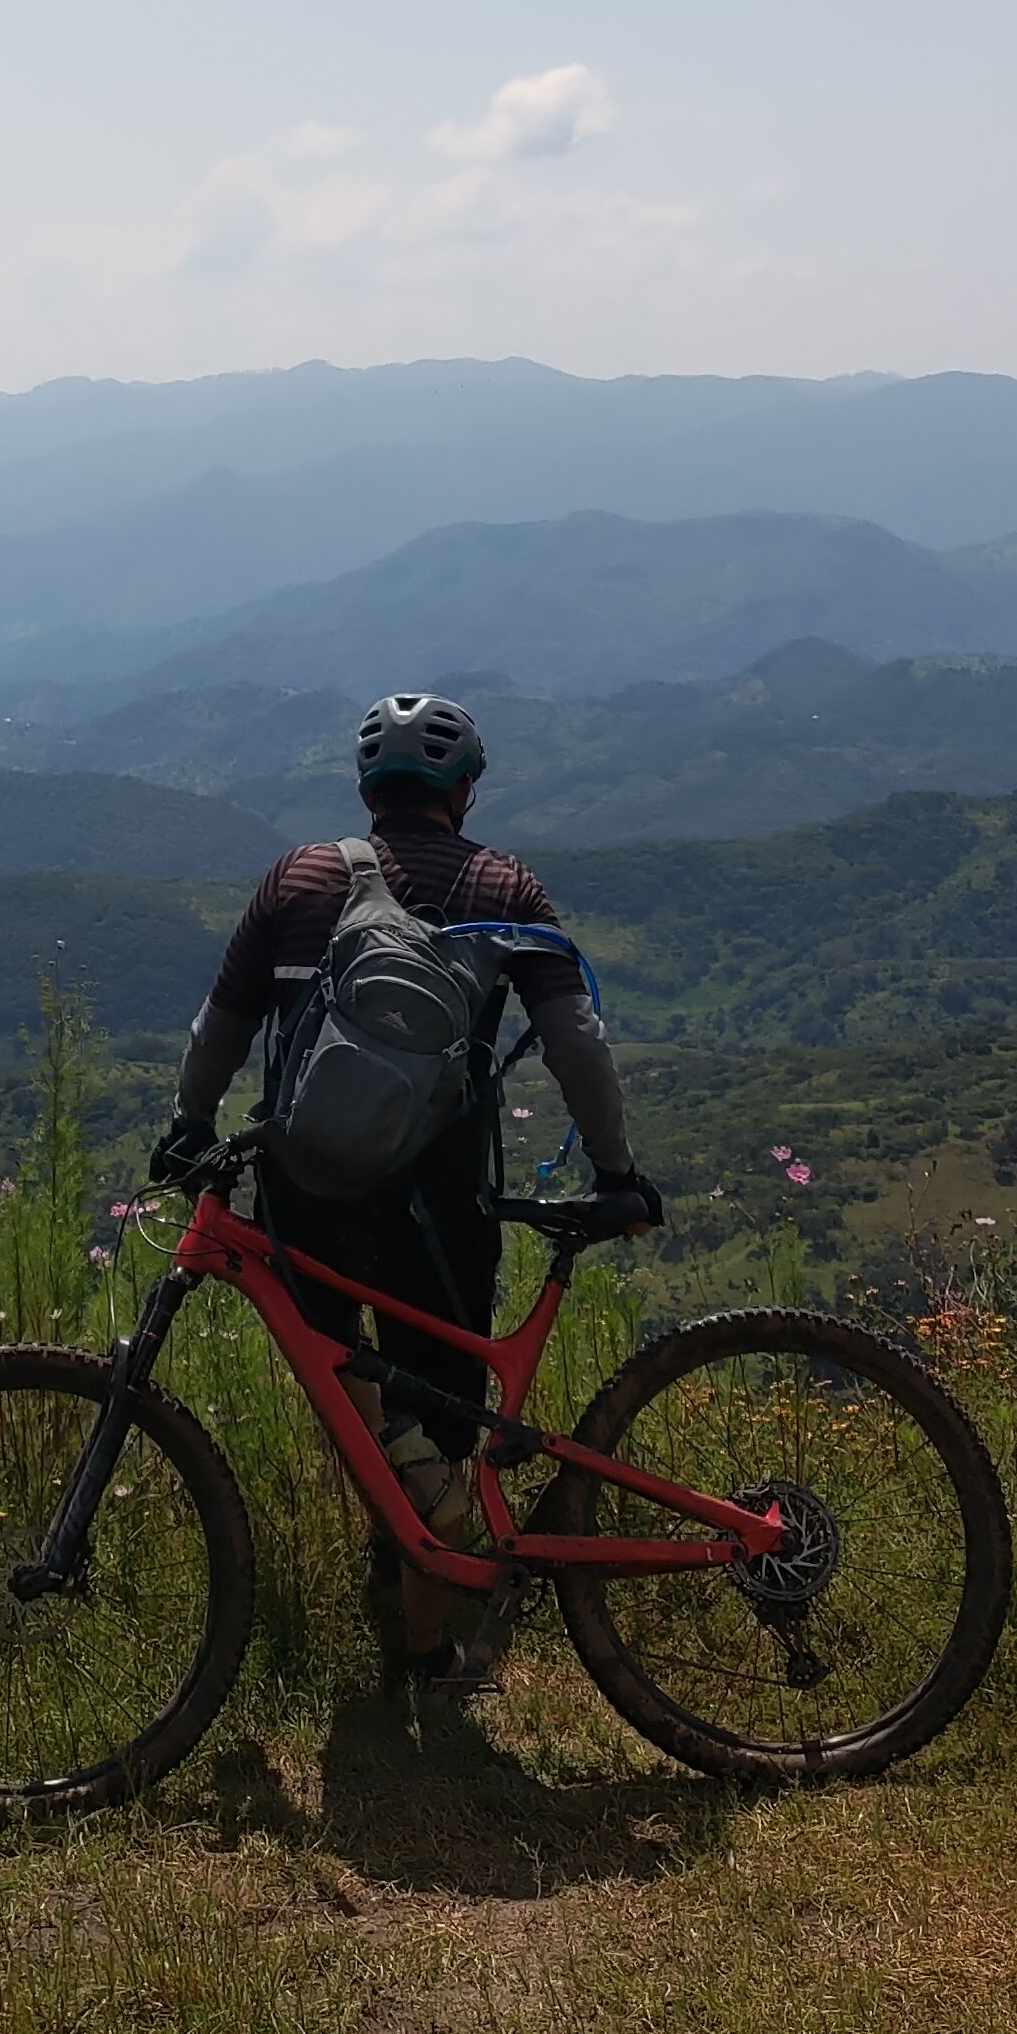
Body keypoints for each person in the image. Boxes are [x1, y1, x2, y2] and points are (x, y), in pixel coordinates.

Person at [168, 689, 662, 1676]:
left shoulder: (296, 878)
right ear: (464, 791)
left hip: (306, 1191)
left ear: (364, 789)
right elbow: (575, 1042)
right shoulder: (503, 885)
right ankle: (425, 1646)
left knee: (350, 1391)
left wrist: (188, 1125)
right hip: (441, 1208)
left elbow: (218, 1029)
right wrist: (614, 1170)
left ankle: (406, 1598)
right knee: (441, 1409)